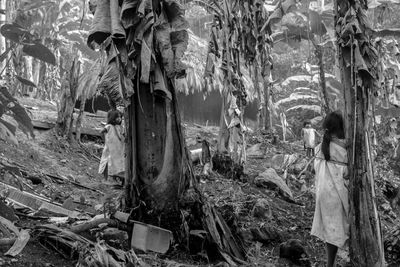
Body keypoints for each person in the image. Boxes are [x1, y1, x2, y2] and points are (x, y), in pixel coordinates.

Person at [311, 111, 348, 267]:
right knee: (340, 230)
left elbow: (316, 170)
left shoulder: (320, 148)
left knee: (330, 232)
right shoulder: (343, 151)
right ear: (340, 129)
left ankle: (330, 264)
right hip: (336, 197)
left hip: (323, 196)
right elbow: (346, 174)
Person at [98, 110, 125, 185]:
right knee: (107, 162)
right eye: (117, 117)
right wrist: (106, 141)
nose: (119, 119)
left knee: (116, 164)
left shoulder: (120, 127)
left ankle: (114, 179)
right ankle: (106, 179)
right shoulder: (109, 126)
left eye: (120, 117)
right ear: (112, 118)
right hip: (110, 149)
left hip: (117, 149)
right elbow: (101, 132)